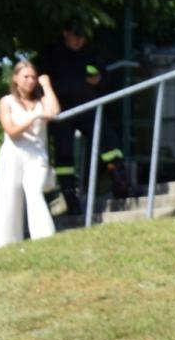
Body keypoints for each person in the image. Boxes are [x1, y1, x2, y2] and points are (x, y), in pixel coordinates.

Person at [35, 23, 130, 210]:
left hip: (88, 108)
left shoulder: (90, 53)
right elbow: (41, 80)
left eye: (82, 36)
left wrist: (99, 79)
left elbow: (105, 77)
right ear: (65, 32)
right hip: (62, 113)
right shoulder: (52, 55)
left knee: (108, 141)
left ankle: (120, 182)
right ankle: (70, 197)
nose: (79, 40)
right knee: (64, 155)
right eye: (75, 35)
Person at [0, 60, 60, 248]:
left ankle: (44, 236)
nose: (30, 81)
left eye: (33, 77)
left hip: (37, 156)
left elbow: (54, 111)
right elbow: (11, 131)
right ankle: (7, 244)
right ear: (15, 78)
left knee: (34, 190)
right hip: (13, 154)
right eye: (26, 77)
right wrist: (34, 117)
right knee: (10, 198)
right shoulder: (6, 102)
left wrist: (46, 85)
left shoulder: (41, 101)